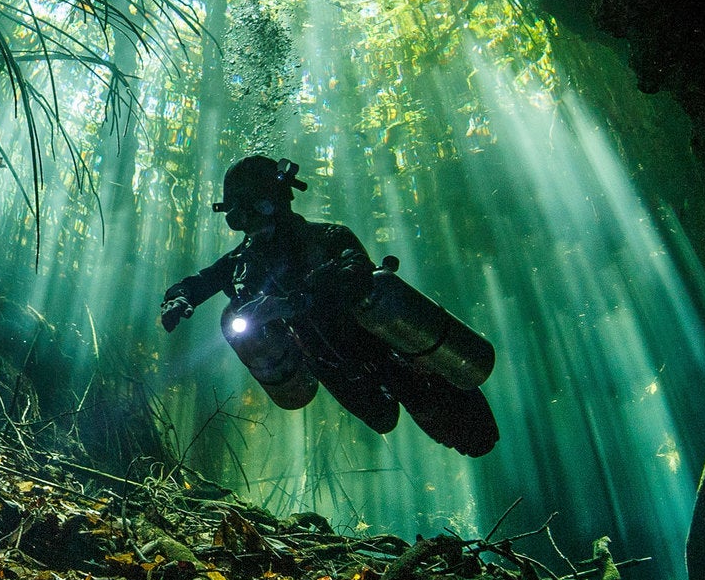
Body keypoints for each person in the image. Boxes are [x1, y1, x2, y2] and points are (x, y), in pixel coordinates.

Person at [162, 156, 498, 456]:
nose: (244, 222)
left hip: (383, 348)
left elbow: (356, 270)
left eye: (250, 208)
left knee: (466, 432)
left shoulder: (327, 237)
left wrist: (291, 302)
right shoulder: (242, 262)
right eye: (237, 213)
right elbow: (202, 281)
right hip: (330, 366)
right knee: (381, 419)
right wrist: (180, 296)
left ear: (270, 202)